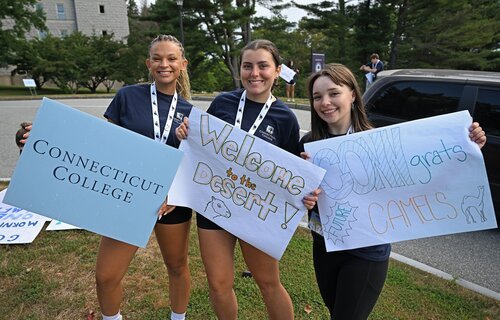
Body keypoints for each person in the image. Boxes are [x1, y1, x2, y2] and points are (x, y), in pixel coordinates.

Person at [299, 63, 487, 320]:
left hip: (365, 253)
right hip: (324, 246)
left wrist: (469, 146)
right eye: (318, 96)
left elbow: (427, 177)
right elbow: (297, 196)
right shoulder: (309, 145)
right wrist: (305, 198)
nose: (325, 102)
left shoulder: (380, 142)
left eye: (334, 93)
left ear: (353, 94)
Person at [175, 39, 319, 320]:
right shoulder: (223, 102)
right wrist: (185, 134)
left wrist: (305, 188)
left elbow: (290, 174)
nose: (255, 73)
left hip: (257, 211)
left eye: (263, 66)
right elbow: (201, 146)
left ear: (277, 71)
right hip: (215, 203)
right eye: (247, 66)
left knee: (268, 282)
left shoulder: (284, 118)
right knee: (218, 284)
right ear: (240, 70)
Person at [96, 35, 193, 320]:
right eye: (158, 58)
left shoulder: (190, 113)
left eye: (172, 59)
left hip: (171, 201)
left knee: (177, 266)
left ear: (182, 64)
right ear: (148, 63)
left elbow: (193, 164)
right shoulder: (128, 96)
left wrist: (175, 192)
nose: (164, 64)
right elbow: (102, 143)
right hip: (128, 196)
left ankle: (179, 318)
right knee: (106, 275)